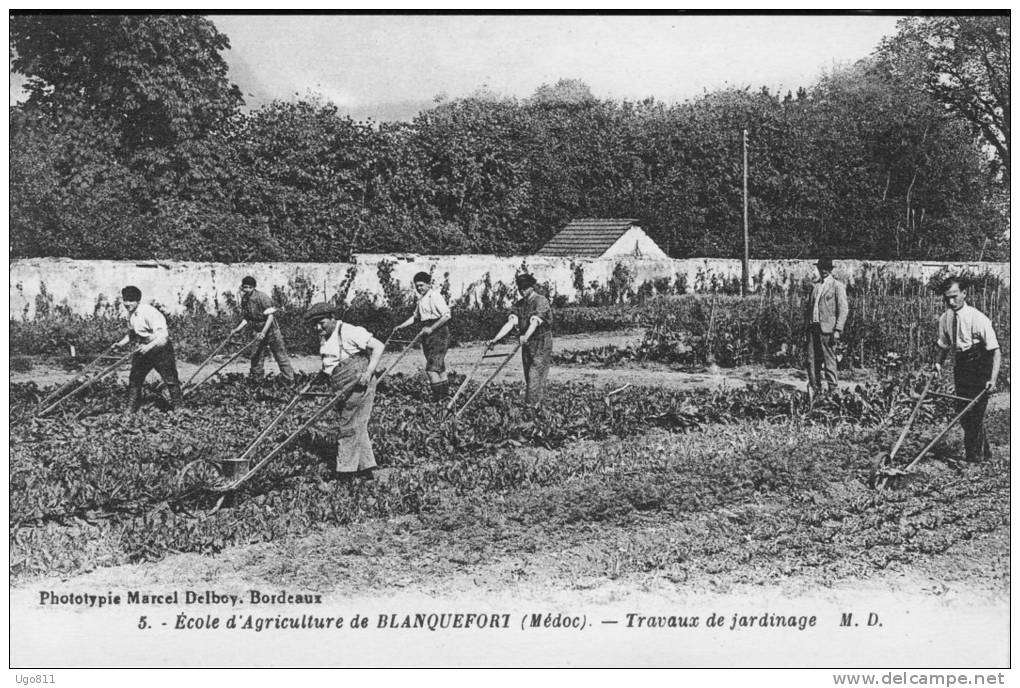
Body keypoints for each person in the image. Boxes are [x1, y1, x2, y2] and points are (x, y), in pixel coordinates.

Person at [304, 302, 385, 477]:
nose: (318, 327)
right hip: (341, 384)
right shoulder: (326, 336)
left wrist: (368, 372)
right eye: (314, 324)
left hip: (359, 383)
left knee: (347, 425)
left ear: (333, 318)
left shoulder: (348, 331)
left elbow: (378, 346)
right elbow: (331, 362)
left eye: (321, 323)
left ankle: (345, 472)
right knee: (357, 425)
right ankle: (367, 469)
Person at [933, 277, 1001, 463]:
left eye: (955, 297)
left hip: (980, 365)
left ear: (964, 293)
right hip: (961, 366)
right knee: (964, 413)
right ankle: (985, 455)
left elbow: (995, 352)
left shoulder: (978, 318)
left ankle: (974, 460)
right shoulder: (945, 318)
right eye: (947, 298)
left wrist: (992, 380)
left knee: (975, 413)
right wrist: (937, 364)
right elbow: (943, 345)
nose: (951, 302)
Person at [114, 286, 183, 413]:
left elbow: (163, 337)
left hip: (161, 350)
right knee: (135, 379)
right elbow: (132, 334)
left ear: (138, 300)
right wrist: (120, 344)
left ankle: (179, 408)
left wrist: (149, 347)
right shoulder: (131, 314)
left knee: (170, 379)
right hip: (144, 349)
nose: (127, 303)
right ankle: (130, 409)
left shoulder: (149, 312)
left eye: (131, 300)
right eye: (125, 300)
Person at [489, 273, 554, 407]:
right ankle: (537, 404)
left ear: (531, 287)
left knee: (535, 374)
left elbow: (535, 322)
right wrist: (495, 339)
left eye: (525, 288)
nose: (522, 291)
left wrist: (525, 336)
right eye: (520, 288)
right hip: (527, 343)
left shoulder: (541, 301)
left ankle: (531, 406)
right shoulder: (519, 305)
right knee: (529, 375)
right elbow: (511, 323)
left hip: (541, 342)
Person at [394, 271, 452, 401]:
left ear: (428, 284)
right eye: (417, 286)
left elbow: (447, 315)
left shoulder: (435, 296)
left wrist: (431, 328)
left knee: (431, 369)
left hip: (439, 333)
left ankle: (438, 401)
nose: (419, 288)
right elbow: (415, 317)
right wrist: (400, 326)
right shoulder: (421, 299)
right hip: (428, 334)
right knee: (439, 368)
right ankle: (446, 399)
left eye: (422, 285)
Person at [231, 276, 295, 383]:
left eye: (249, 288)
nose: (246, 290)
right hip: (257, 331)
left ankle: (290, 380)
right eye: (244, 287)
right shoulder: (245, 300)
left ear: (253, 287)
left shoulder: (262, 297)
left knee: (280, 356)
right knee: (256, 356)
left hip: (271, 330)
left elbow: (270, 317)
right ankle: (257, 381)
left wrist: (264, 332)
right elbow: (247, 318)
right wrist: (236, 329)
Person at [804, 257, 848, 396]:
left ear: (830, 270)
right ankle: (815, 389)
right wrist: (805, 328)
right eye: (821, 268)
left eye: (826, 268)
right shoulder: (816, 286)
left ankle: (833, 391)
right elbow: (809, 309)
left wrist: (837, 330)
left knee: (829, 360)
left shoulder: (837, 286)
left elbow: (843, 309)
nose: (823, 271)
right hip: (813, 328)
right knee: (811, 360)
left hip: (828, 330)